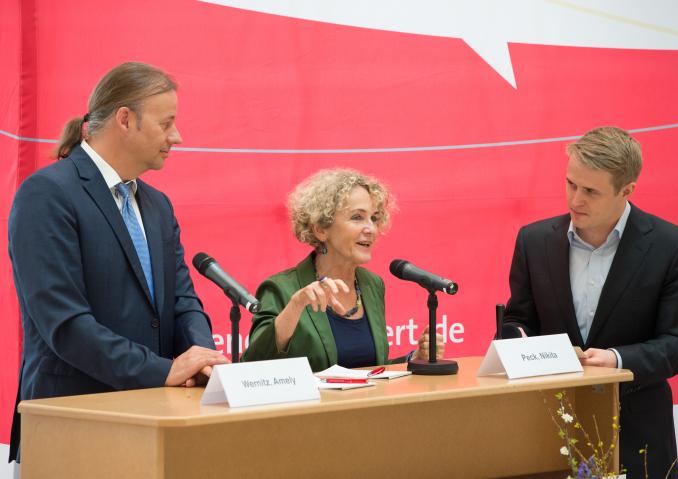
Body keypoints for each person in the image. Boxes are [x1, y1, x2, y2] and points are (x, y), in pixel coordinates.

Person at [7, 62, 229, 465]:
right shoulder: (47, 194)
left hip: (153, 428)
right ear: (125, 119)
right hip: (73, 428)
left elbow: (183, 301)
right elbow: (65, 324)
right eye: (166, 124)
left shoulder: (158, 206)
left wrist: (202, 356)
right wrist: (163, 370)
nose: (176, 137)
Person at [502, 127, 678, 478]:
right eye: (570, 184)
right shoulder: (533, 241)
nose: (575, 200)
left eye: (591, 191)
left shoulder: (674, 247)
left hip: (637, 432)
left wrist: (616, 359)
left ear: (627, 191)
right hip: (546, 432)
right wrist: (518, 345)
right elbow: (519, 321)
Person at [243, 169, 444, 371]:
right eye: (357, 217)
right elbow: (252, 366)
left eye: (374, 218)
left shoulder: (372, 284)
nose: (371, 229)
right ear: (320, 229)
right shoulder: (281, 288)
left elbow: (370, 370)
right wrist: (296, 305)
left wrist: (414, 358)